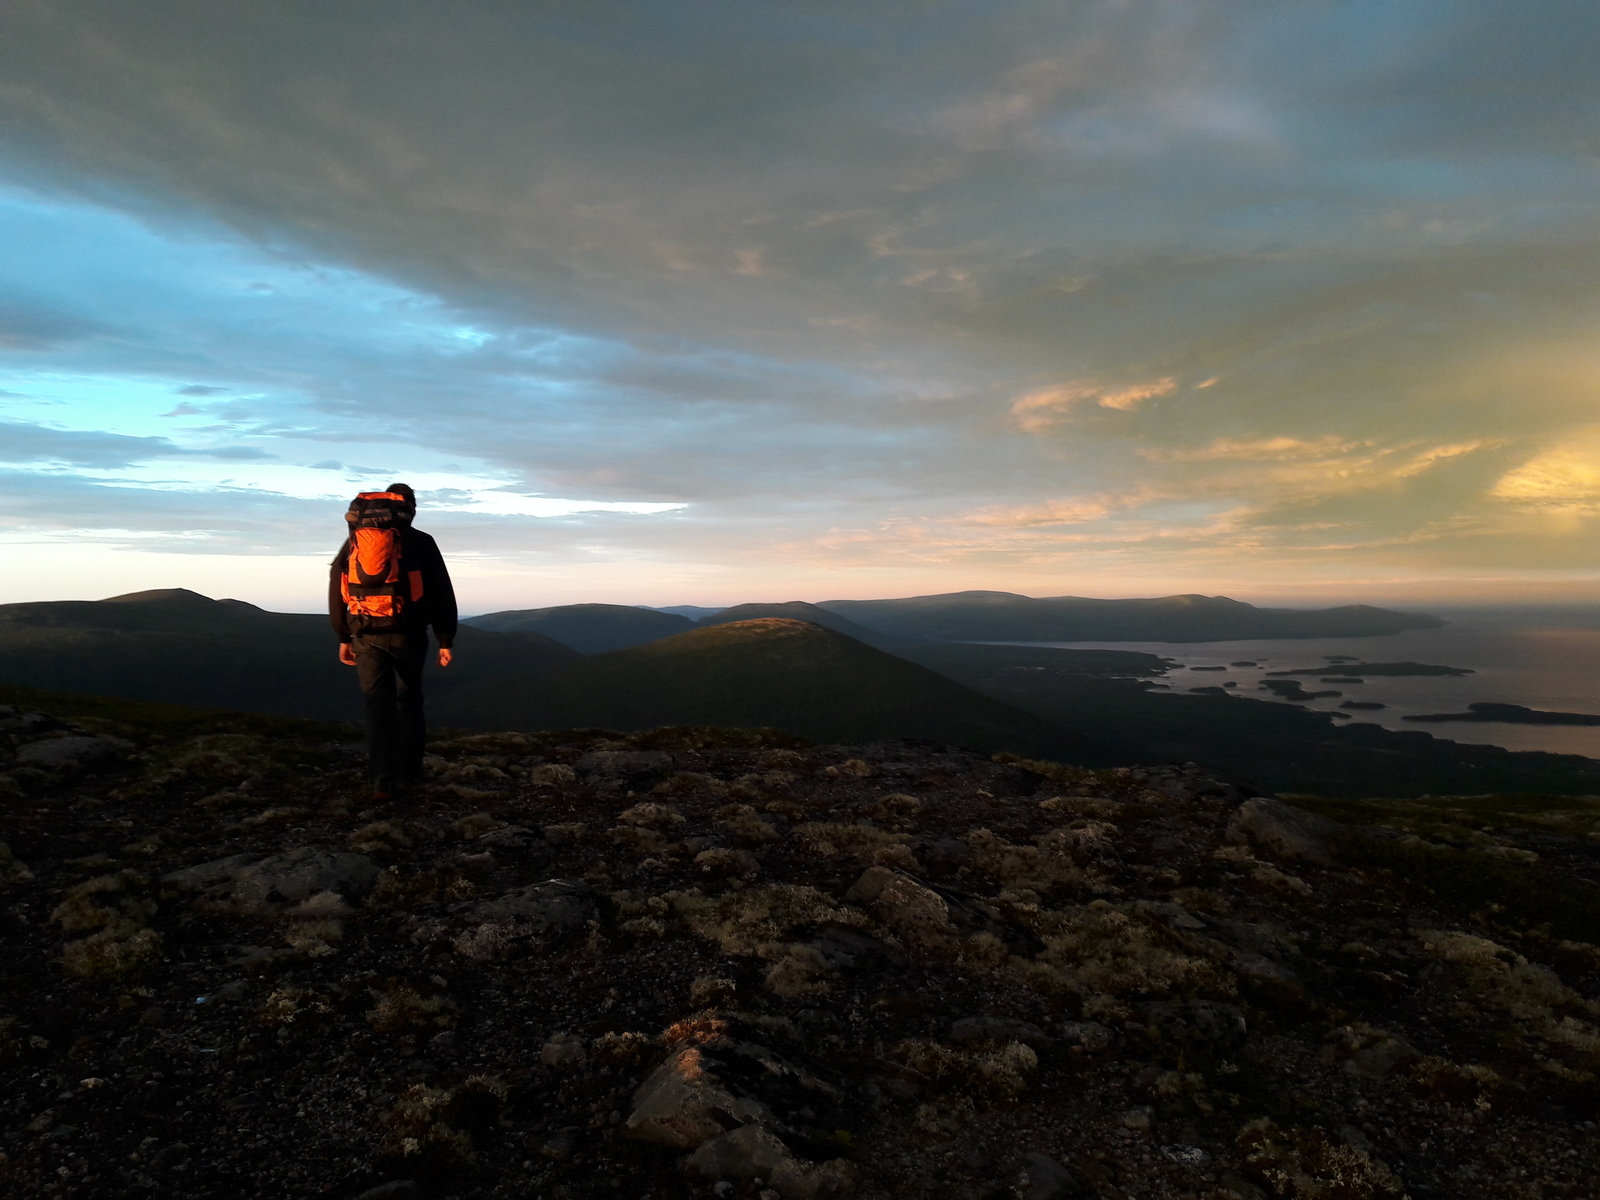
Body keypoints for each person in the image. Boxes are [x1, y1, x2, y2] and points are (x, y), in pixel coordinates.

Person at [328, 482, 457, 800]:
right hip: (409, 635)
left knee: (376, 704)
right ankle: (410, 771)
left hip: (365, 633)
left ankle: (382, 779)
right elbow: (441, 589)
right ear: (410, 508)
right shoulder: (422, 542)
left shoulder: (354, 542)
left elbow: (337, 583)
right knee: (409, 701)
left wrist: (343, 635)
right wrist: (445, 639)